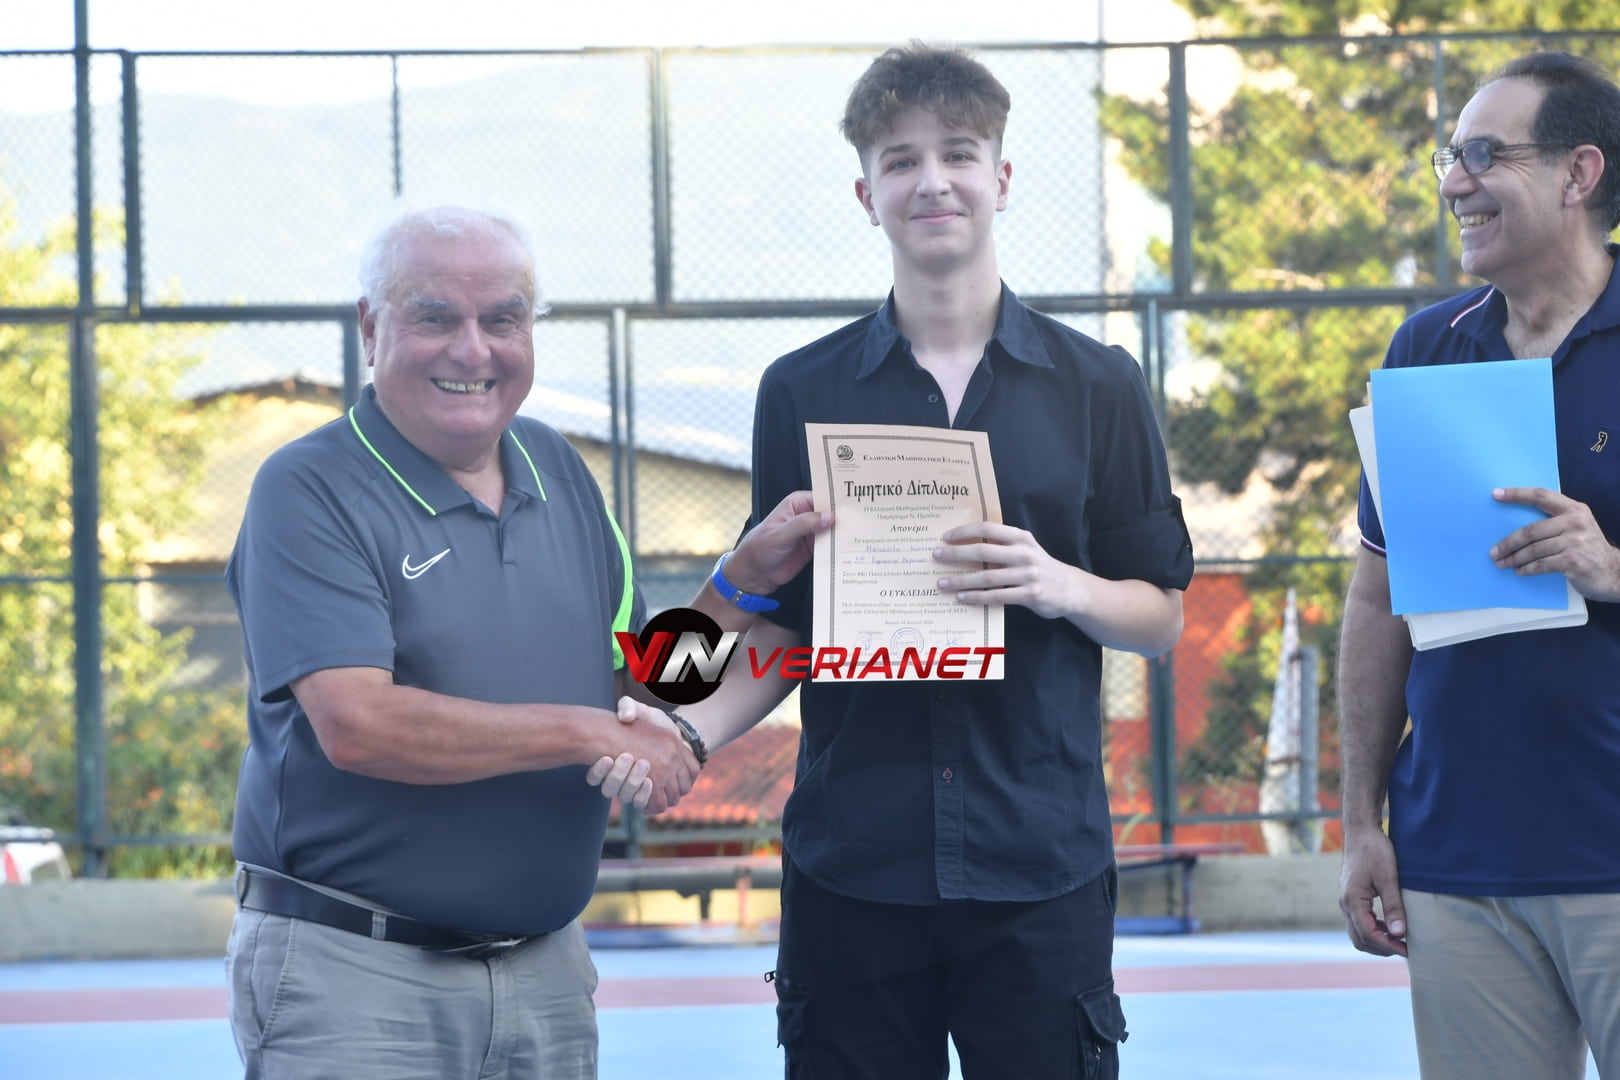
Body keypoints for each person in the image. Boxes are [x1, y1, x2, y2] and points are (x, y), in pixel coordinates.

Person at [598, 43, 1193, 1079]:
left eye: (958, 154)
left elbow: (1161, 617)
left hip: (1039, 867)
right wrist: (683, 725)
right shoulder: (800, 389)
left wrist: (1056, 583)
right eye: (900, 160)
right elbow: (779, 627)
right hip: (853, 871)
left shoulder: (1099, 384)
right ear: (866, 193)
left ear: (1001, 177)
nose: (932, 181)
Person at [223, 201, 731, 1079]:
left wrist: (739, 588)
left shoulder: (559, 468)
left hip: (548, 973)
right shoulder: (307, 487)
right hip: (356, 980)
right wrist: (585, 733)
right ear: (371, 327)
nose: (472, 350)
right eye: (435, 318)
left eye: (502, 319)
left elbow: (641, 689)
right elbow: (358, 725)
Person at [1337, 51, 1620, 1079]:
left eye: (1485, 155)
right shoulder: (1426, 348)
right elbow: (1379, 597)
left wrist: (1611, 567)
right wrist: (1359, 822)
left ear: (1579, 174)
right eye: (1450, 157)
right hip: (1458, 864)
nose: (1456, 181)